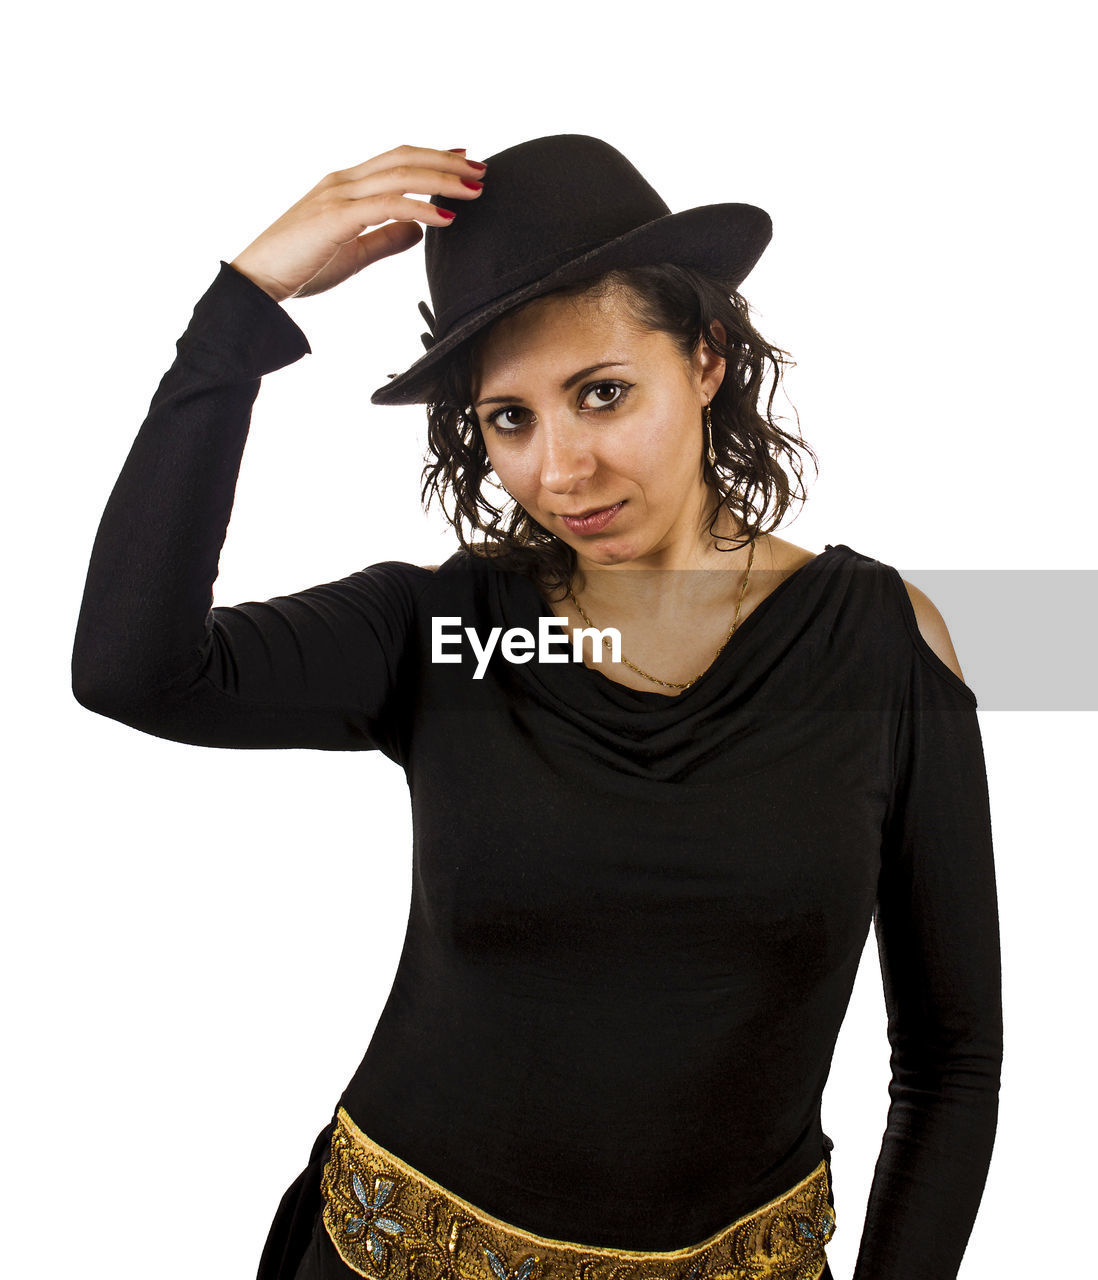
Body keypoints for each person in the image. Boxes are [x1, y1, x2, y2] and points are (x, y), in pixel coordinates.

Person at [70, 135, 1002, 1280]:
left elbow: (953, 1056)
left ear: (707, 357)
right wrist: (241, 312)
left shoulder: (879, 647)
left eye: (602, 394)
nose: (559, 468)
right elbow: (132, 668)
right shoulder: (448, 635)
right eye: (509, 418)